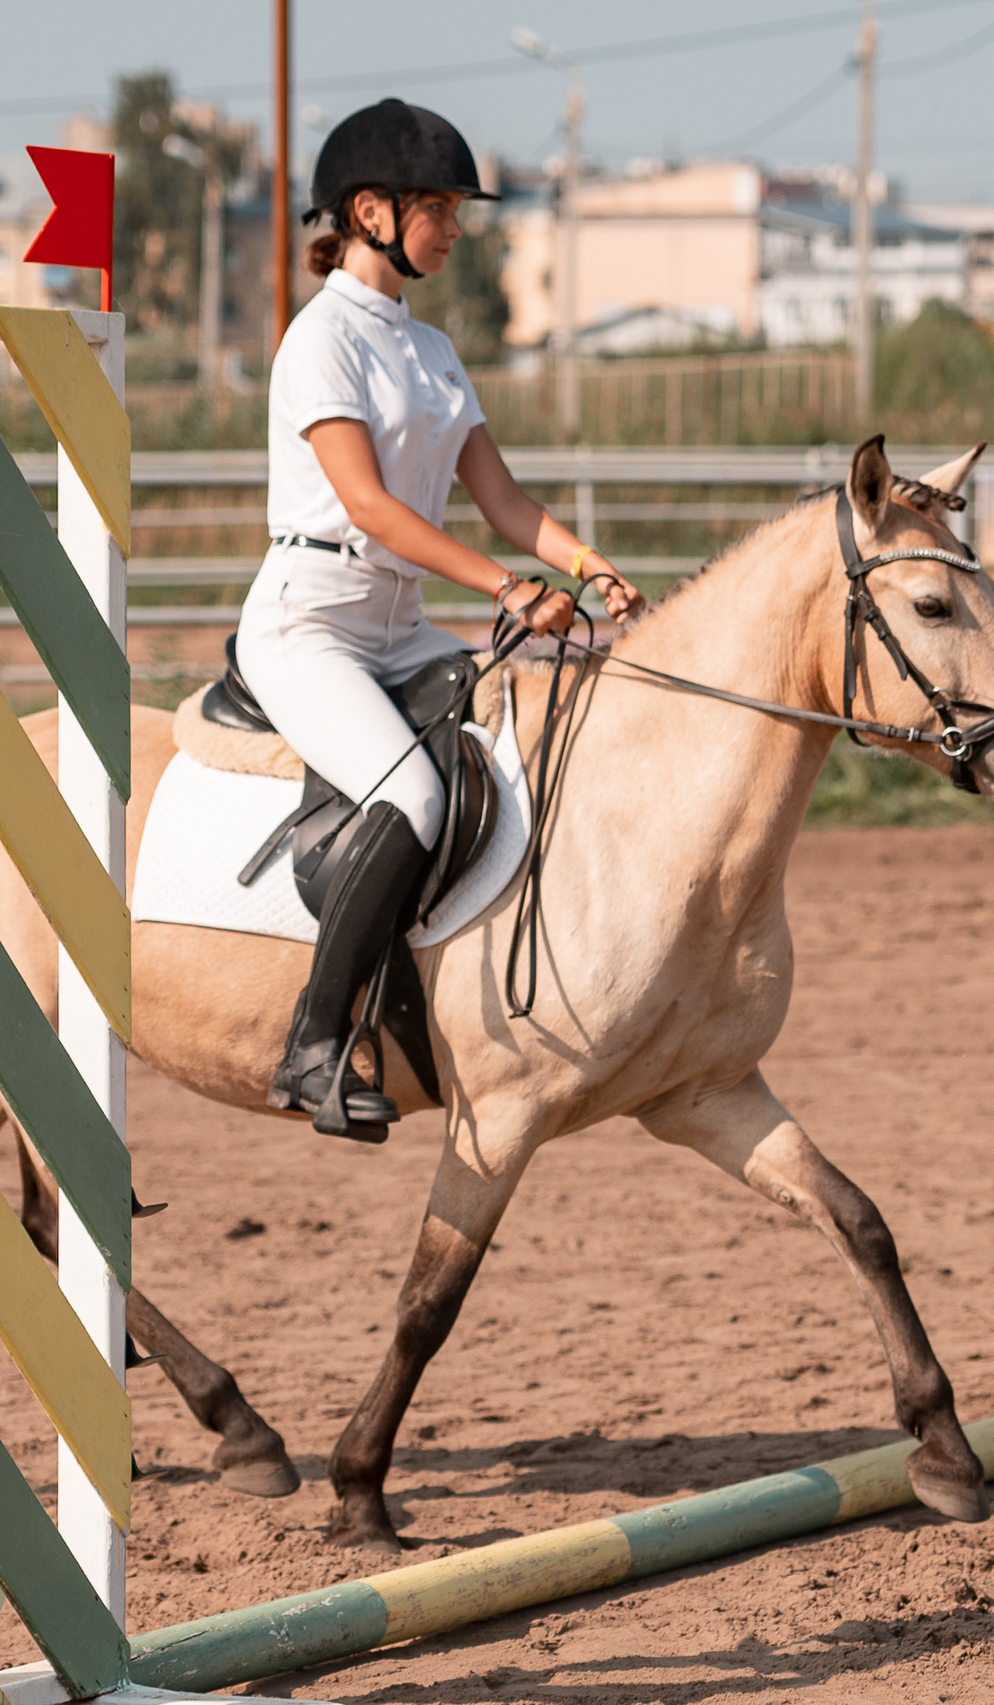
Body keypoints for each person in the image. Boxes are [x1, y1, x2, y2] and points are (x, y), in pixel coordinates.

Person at [239, 97, 641, 1141]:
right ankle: (315, 1043)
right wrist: (507, 588)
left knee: (529, 742)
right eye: (441, 208)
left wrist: (590, 567)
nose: (457, 228)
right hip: (311, 622)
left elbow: (506, 506)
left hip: (399, 623)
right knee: (415, 797)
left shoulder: (430, 352)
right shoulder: (318, 341)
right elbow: (369, 507)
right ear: (371, 211)